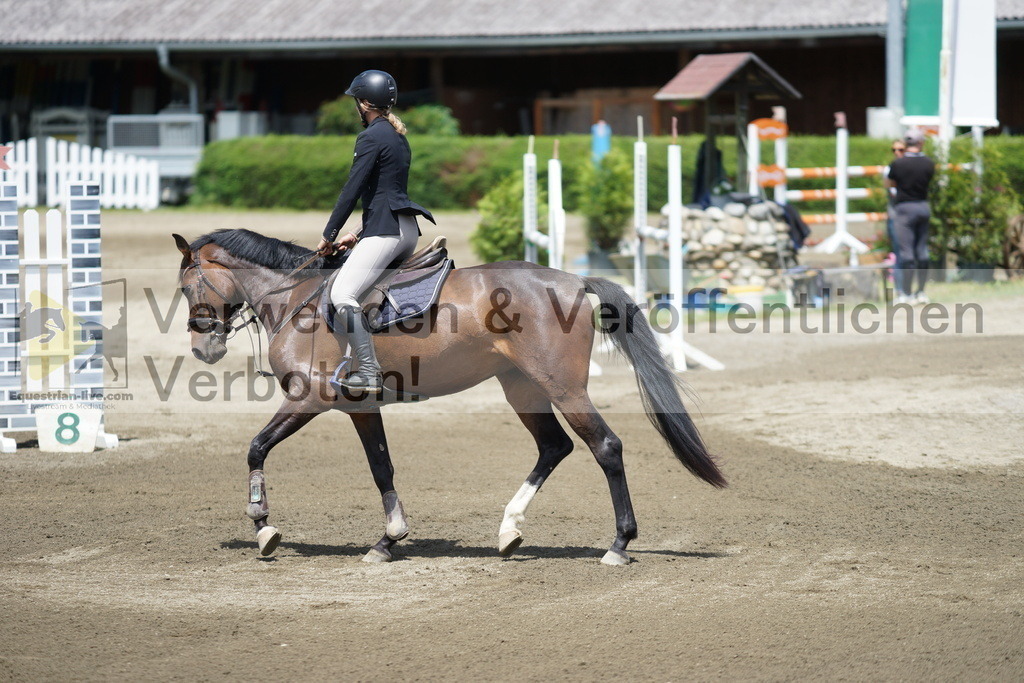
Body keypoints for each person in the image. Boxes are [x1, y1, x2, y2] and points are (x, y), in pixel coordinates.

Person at [316, 70, 435, 391]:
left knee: (342, 294)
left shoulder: (370, 137)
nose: (356, 107)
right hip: (405, 229)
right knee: (365, 290)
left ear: (365, 103)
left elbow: (352, 190)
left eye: (356, 101)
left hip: (387, 233)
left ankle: (368, 371)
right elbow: (385, 192)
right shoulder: (397, 136)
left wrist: (328, 235)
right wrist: (356, 233)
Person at [886, 129, 935, 305]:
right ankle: (921, 291)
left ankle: (905, 293)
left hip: (904, 208)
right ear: (921, 143)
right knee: (922, 252)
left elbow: (890, 185)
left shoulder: (897, 164)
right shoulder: (929, 163)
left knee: (906, 253)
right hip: (923, 206)